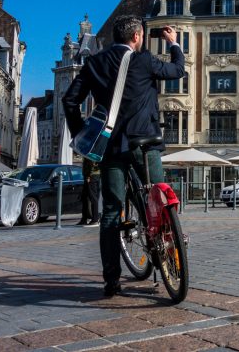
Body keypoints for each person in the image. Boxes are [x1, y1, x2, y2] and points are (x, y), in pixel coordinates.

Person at [63, 15, 184, 297]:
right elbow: (177, 70)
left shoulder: (94, 63)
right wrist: (174, 43)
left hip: (111, 148)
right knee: (160, 197)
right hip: (146, 144)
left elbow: (69, 100)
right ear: (138, 36)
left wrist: (82, 133)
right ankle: (170, 253)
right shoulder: (143, 61)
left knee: (110, 212)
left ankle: (111, 280)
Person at [77, 158, 101, 227]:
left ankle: (95, 219)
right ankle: (84, 219)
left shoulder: (90, 153)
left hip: (91, 176)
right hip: (94, 176)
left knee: (93, 198)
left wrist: (88, 175)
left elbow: (90, 164)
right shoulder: (95, 152)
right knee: (84, 197)